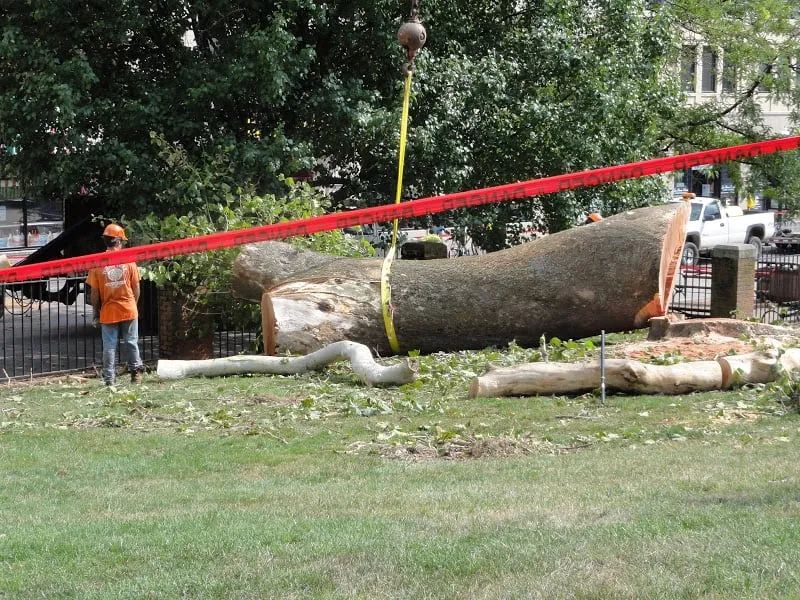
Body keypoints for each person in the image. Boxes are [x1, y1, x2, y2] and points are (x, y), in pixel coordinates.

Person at [86, 223, 144, 385]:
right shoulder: (129, 260)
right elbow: (136, 287)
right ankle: (136, 375)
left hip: (108, 311)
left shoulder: (97, 263)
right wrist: (134, 305)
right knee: (131, 342)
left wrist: (96, 313)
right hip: (128, 309)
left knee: (109, 346)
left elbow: (95, 293)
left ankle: (109, 379)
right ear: (119, 241)